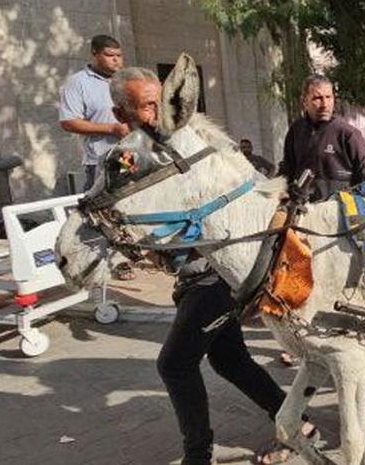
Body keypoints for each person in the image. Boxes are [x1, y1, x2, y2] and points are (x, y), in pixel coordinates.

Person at [108, 66, 314, 465]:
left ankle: (197, 456)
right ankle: (298, 423)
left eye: (160, 102)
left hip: (217, 275)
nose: (160, 113)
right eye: (148, 107)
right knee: (229, 358)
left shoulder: (193, 143)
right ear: (122, 115)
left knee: (174, 364)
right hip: (191, 276)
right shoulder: (135, 158)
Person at [58, 34, 135, 281]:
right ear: (94, 54)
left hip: (128, 156)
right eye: (110, 56)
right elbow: (68, 121)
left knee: (130, 202)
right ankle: (98, 259)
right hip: (100, 160)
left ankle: (128, 254)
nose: (116, 61)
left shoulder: (126, 81)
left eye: (119, 56)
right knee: (100, 209)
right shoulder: (78, 83)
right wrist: (111, 129)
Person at [280, 75, 365, 202]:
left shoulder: (347, 133)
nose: (325, 104)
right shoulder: (296, 130)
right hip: (304, 209)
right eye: (317, 98)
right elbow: (288, 167)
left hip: (340, 210)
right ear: (304, 101)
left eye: (328, 97)